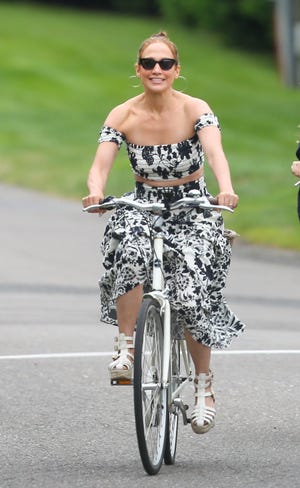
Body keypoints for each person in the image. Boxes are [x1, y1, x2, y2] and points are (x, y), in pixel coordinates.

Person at [82, 31, 245, 435]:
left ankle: (203, 389)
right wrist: (95, 193)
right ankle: (126, 347)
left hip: (193, 206)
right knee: (128, 243)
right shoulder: (123, 114)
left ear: (176, 70)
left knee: (191, 289)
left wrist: (225, 188)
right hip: (145, 202)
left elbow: (214, 152)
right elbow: (100, 164)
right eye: (150, 64)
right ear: (138, 69)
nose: (158, 70)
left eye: (165, 64)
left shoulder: (195, 109)